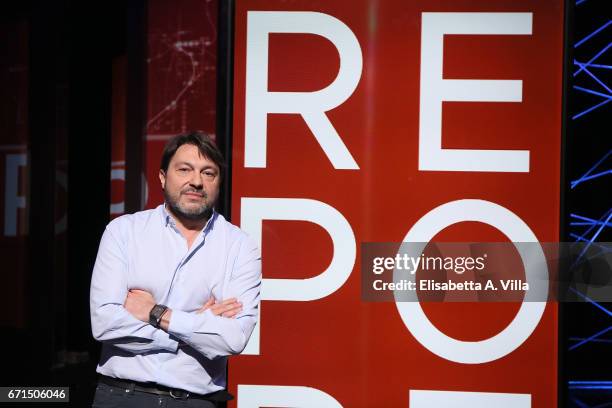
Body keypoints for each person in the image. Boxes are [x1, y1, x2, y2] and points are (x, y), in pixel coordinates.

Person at [89, 132, 261, 407]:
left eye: (208, 173)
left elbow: (233, 339)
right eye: (184, 170)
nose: (196, 181)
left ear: (219, 183)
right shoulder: (124, 232)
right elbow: (104, 324)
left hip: (196, 401)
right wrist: (195, 327)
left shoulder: (240, 246)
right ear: (162, 177)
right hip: (121, 396)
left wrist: (157, 313)